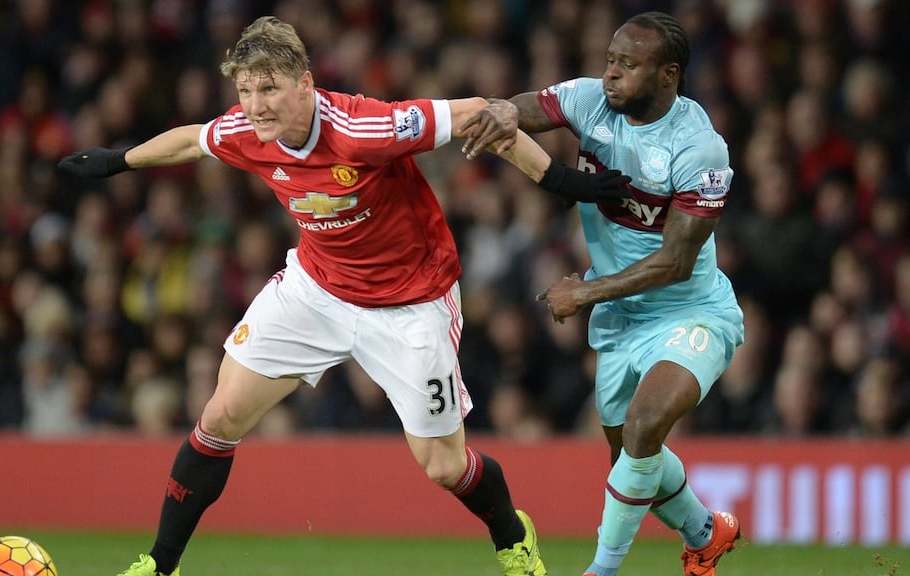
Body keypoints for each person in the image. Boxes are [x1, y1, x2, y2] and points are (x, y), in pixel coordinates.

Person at [58, 15, 630, 576]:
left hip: (410, 302)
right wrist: (117, 161)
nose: (255, 105)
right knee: (220, 413)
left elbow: (481, 114)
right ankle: (158, 565)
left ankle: (513, 536)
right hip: (317, 290)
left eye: (270, 88)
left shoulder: (364, 129)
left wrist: (562, 181)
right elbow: (190, 141)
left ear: (305, 82)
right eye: (246, 90)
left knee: (443, 465)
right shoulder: (246, 132)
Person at [462, 11, 745, 576]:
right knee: (631, 459)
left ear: (668, 75)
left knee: (643, 430)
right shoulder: (591, 100)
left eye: (628, 65)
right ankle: (705, 534)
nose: (611, 74)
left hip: (690, 311)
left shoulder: (699, 150)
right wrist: (499, 111)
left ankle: (601, 570)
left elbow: (675, 261)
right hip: (619, 316)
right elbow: (531, 107)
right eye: (610, 60)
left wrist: (584, 293)